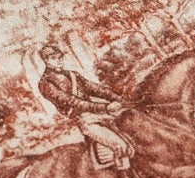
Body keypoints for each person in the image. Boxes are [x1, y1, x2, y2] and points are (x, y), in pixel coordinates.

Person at [36, 42, 133, 170]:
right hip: (85, 120)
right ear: (46, 61)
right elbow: (72, 101)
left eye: (60, 57)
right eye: (54, 58)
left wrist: (120, 99)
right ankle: (125, 173)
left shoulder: (73, 75)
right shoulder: (45, 83)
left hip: (102, 114)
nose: (59, 60)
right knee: (119, 145)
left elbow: (96, 89)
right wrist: (105, 107)